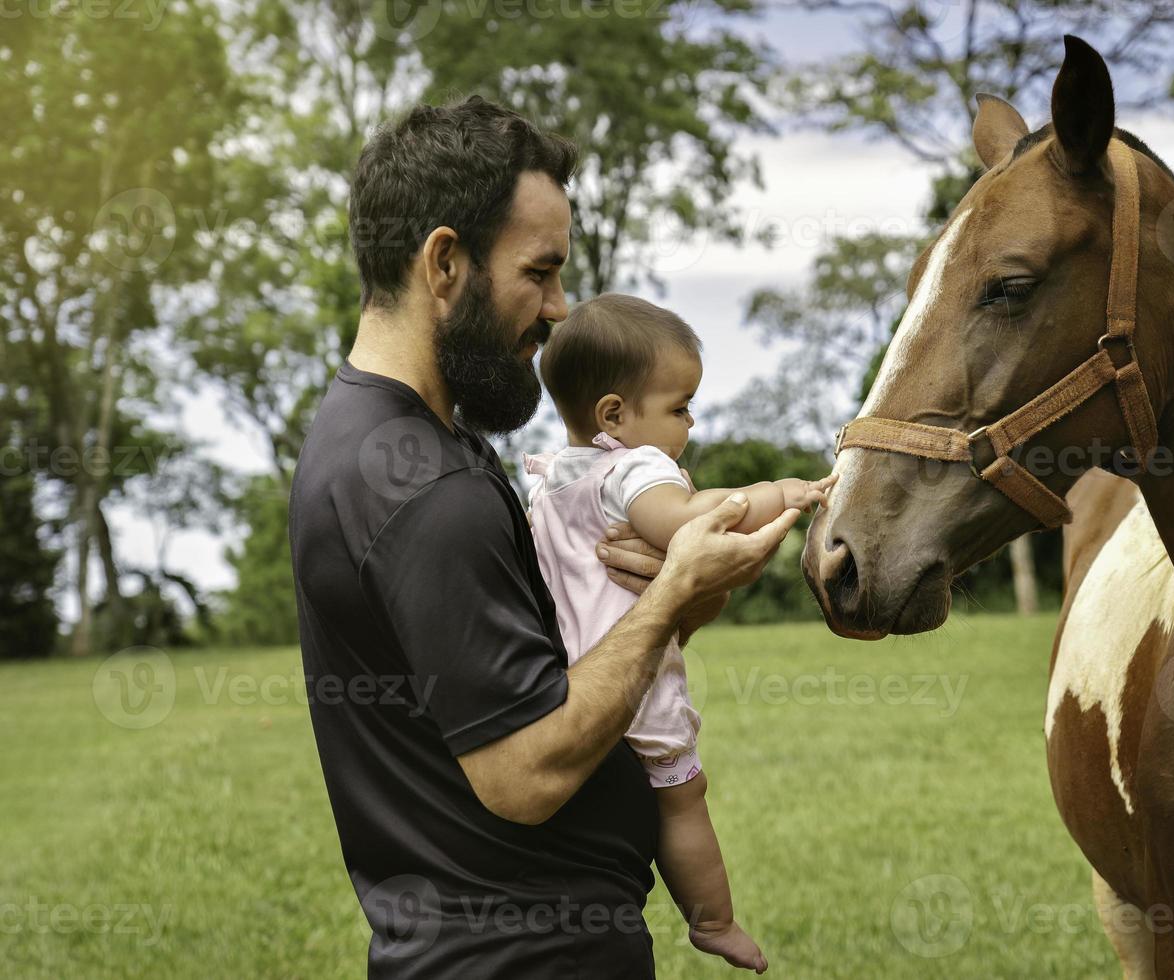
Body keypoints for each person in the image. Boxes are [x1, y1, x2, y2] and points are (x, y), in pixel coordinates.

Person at [288, 96, 801, 978]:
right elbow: (524, 771)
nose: (561, 309)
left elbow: (535, 670)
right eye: (540, 271)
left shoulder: (382, 437)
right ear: (444, 262)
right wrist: (674, 590)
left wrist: (671, 606)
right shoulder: (429, 488)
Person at [525, 293, 835, 974]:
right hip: (634, 682)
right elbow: (691, 523)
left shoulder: (548, 483)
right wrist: (781, 492)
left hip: (565, 681)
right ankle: (714, 921)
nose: (690, 425)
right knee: (682, 798)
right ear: (615, 415)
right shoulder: (634, 466)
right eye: (679, 406)